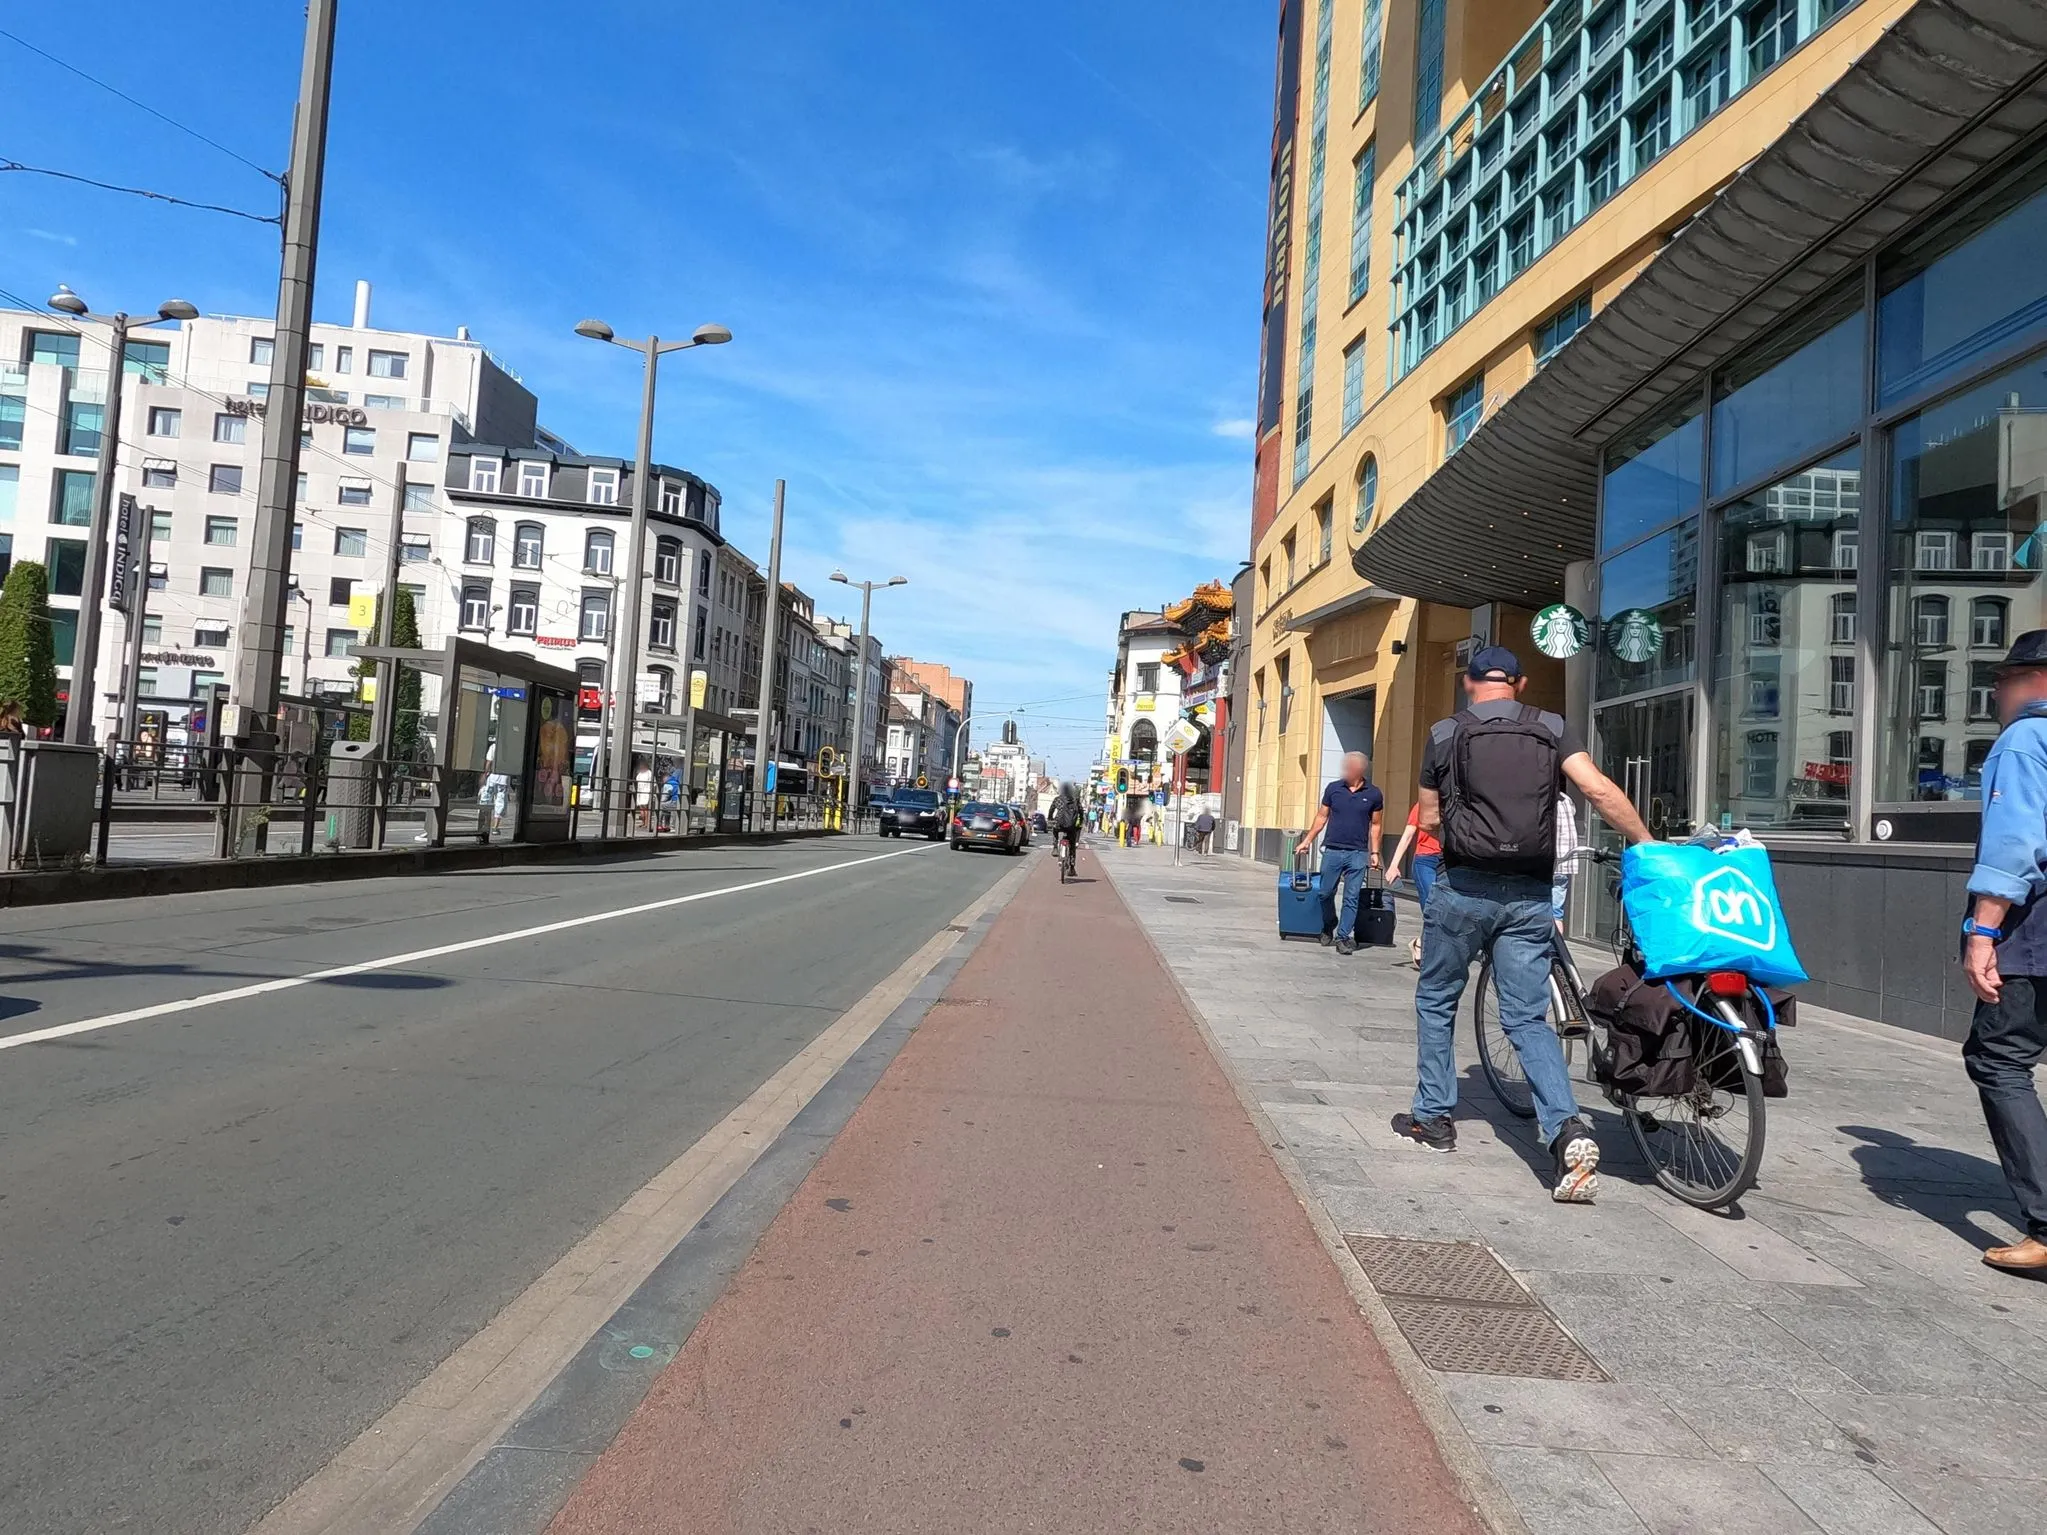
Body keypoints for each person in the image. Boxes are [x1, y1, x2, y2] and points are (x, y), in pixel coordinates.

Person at [1398, 646, 1652, 1203]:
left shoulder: (1444, 733)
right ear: (1520, 683)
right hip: (1532, 894)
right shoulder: (1551, 727)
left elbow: (1431, 816)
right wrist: (1649, 844)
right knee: (1527, 1019)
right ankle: (1565, 1130)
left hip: (1463, 888)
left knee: (1437, 998)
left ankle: (1434, 1120)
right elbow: (1597, 789)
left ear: (1468, 683)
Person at [1957, 629, 2047, 1275]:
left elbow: (2016, 841)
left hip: (2035, 931)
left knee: (1997, 1056)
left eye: (2003, 678)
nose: (1996, 691)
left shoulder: (2025, 737)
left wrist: (1983, 931)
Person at [1295, 750, 1384, 956]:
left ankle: (1343, 937)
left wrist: (1375, 852)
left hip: (1358, 853)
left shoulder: (1374, 793)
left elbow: (1376, 825)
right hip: (1333, 850)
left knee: (1351, 896)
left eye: (1351, 767)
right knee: (1324, 893)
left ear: (1361, 770)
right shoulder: (1334, 789)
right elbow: (1321, 817)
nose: (1347, 770)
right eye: (1346, 766)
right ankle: (1329, 923)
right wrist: (1307, 840)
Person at [1386, 801, 1443, 968]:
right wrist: (1394, 865)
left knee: (1443, 909)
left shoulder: (1457, 802)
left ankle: (1420, 943)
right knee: (1432, 908)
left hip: (1447, 862)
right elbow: (1408, 834)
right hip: (1425, 861)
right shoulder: (1424, 804)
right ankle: (1431, 954)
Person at [1047, 780, 1085, 866]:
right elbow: (1081, 812)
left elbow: (1051, 810)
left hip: (1059, 824)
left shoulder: (1058, 799)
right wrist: (1080, 822)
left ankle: (1055, 847)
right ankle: (1072, 867)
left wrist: (1050, 818)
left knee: (1054, 830)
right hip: (1071, 826)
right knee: (1072, 845)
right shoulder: (1075, 800)